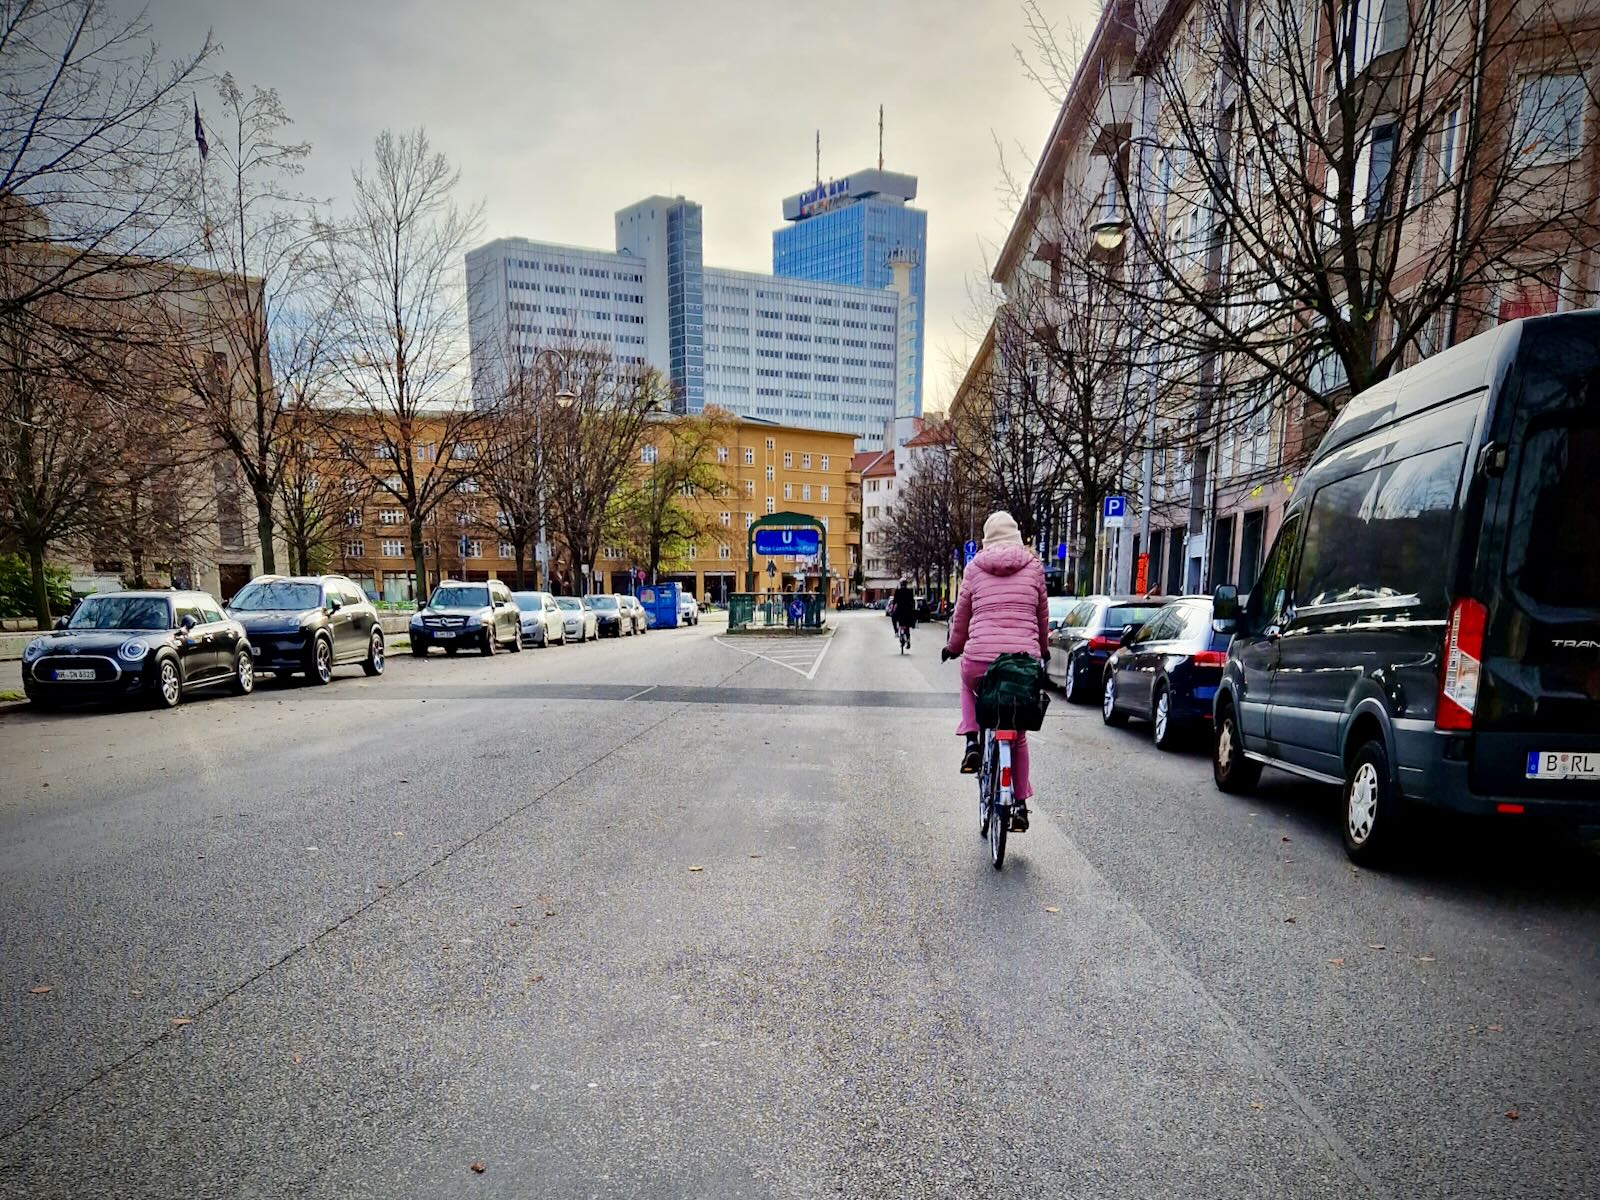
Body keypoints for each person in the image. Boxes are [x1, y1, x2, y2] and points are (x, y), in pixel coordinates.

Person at [940, 511, 1050, 830]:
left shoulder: (974, 568)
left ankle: (972, 741)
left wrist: (953, 647)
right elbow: (1042, 617)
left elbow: (962, 617)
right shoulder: (1034, 568)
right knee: (1018, 736)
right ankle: (1020, 804)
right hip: (1022, 663)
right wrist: (1042, 650)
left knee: (967, 683)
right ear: (1017, 537)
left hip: (981, 659)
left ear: (986, 540)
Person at [889, 578, 917, 645]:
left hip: (899, 611)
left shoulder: (898, 591)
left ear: (900, 584)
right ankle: (908, 639)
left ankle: (896, 631)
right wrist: (913, 608)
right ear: (906, 584)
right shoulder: (909, 591)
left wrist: (892, 610)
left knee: (893, 618)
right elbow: (912, 601)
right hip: (907, 611)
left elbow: (894, 601)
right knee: (908, 625)